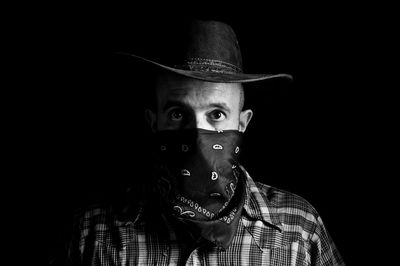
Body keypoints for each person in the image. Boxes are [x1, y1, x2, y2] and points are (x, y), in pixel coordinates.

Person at [65, 19, 344, 265]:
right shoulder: (95, 231)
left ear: (242, 123)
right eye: (178, 114)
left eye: (217, 114)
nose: (197, 135)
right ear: (154, 122)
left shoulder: (299, 229)